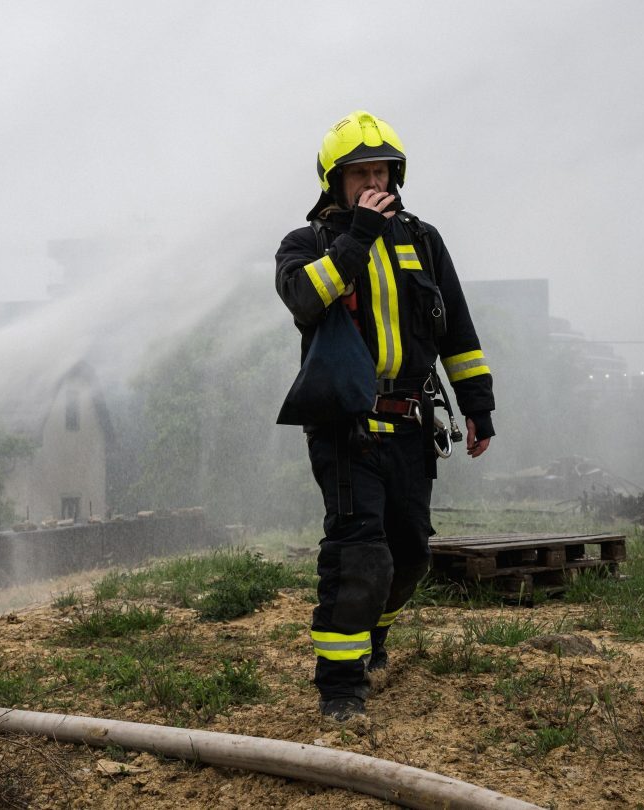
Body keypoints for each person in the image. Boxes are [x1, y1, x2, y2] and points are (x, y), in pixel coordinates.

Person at [274, 110, 496, 723]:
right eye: (360, 174)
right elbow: (304, 298)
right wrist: (359, 234)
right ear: (334, 182)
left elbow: (457, 328)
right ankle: (340, 687)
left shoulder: (423, 240)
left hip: (412, 422)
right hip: (347, 426)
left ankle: (372, 635)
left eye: (383, 171)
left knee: (412, 553)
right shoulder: (308, 244)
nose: (375, 183)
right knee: (359, 551)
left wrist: (477, 405)